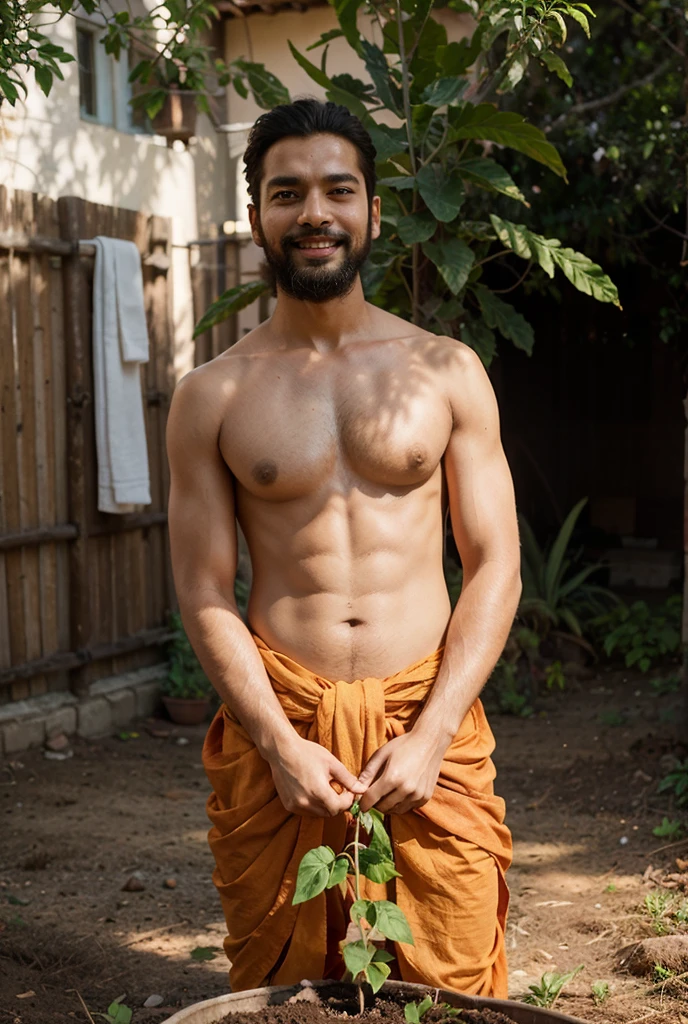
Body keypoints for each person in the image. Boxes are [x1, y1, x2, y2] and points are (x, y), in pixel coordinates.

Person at [166, 98, 521, 998]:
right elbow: (204, 589)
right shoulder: (212, 395)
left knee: (454, 987)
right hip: (285, 729)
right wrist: (279, 744)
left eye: (338, 190)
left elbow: (495, 564)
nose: (314, 212)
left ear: (372, 211)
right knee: (282, 991)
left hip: (423, 721)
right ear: (256, 218)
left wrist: (434, 733)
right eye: (288, 193)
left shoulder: (444, 370)